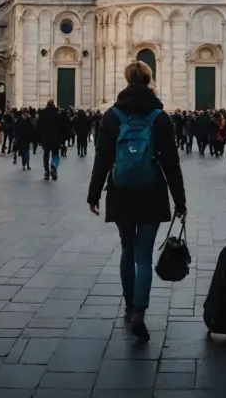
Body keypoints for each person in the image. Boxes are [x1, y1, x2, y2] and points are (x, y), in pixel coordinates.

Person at [87, 61, 186, 343]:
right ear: (149, 79)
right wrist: (180, 201)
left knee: (127, 249)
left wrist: (94, 194)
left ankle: (129, 304)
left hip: (121, 191)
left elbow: (102, 159)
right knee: (144, 255)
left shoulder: (112, 115)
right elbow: (171, 163)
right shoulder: (160, 116)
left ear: (126, 79)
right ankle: (140, 312)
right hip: (152, 191)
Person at [37, 99, 63, 181]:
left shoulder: (42, 114)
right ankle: (54, 166)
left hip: (45, 139)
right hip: (56, 139)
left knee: (46, 155)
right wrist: (61, 138)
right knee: (56, 155)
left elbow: (38, 128)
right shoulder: (58, 115)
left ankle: (46, 172)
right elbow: (62, 128)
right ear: (54, 105)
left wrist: (38, 139)